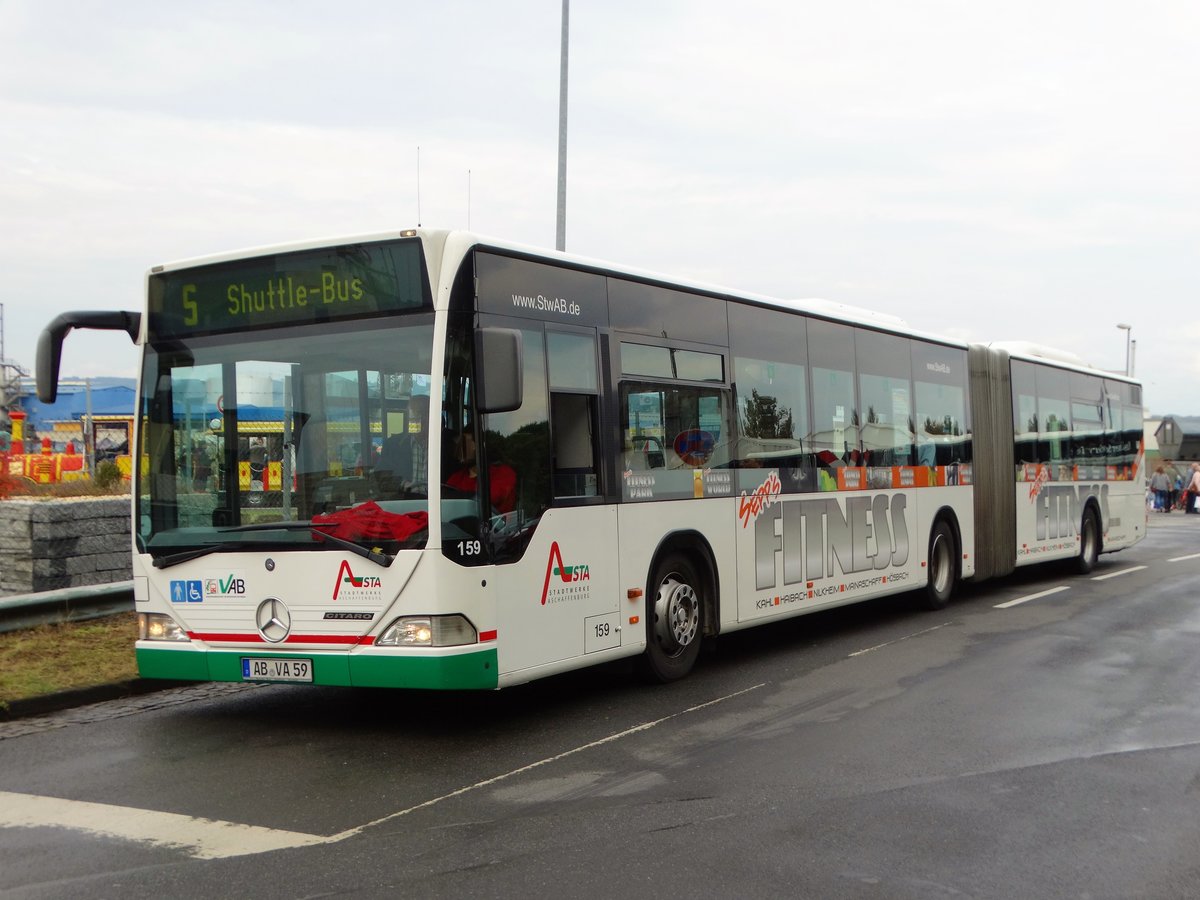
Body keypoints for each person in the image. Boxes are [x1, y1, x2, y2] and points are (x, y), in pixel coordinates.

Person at [445, 425, 517, 514]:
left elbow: (489, 499)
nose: (460, 450)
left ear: (479, 445)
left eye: (464, 444)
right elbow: (445, 498)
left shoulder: (503, 473)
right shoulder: (458, 476)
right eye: (459, 445)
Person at [375, 395, 430, 497]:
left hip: (439, 505)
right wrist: (402, 484)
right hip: (403, 504)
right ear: (409, 418)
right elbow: (382, 478)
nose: (421, 420)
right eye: (416, 414)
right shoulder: (393, 445)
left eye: (425, 414)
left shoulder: (446, 445)